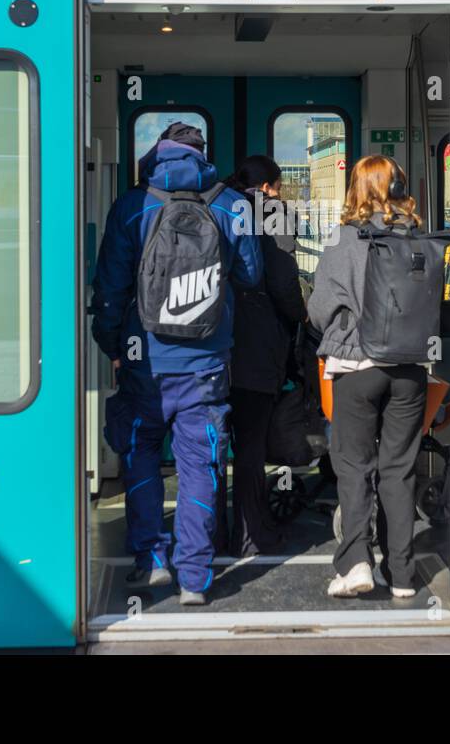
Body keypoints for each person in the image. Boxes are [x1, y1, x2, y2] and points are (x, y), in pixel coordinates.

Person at [91, 122, 262, 605]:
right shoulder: (232, 205)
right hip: (206, 359)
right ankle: (194, 577)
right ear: (203, 155)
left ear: (157, 153)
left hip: (143, 357)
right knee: (199, 463)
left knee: (140, 449)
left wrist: (113, 347)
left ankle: (150, 560)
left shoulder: (132, 205)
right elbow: (250, 276)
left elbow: (109, 289)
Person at [307, 155, 428, 600]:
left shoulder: (345, 240)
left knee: (355, 467)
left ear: (357, 188)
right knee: (399, 471)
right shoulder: (415, 236)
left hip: (358, 368)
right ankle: (402, 577)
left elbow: (320, 310)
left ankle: (357, 562)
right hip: (410, 369)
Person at [224, 155, 308, 557]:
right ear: (271, 186)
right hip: (256, 345)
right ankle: (249, 532)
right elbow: (282, 282)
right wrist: (301, 318)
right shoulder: (273, 211)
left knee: (206, 443)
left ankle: (204, 533)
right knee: (251, 445)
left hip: (210, 343)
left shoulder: (217, 203)